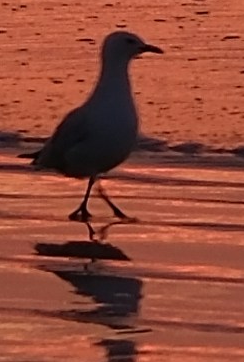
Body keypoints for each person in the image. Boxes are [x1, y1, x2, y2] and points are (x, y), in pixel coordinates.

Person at [27, 30, 157, 243]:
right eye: (132, 43)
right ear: (117, 49)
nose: (141, 46)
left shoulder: (102, 104)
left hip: (92, 156)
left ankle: (92, 203)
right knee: (94, 172)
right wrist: (45, 156)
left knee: (96, 171)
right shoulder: (85, 116)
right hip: (68, 157)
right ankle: (95, 204)